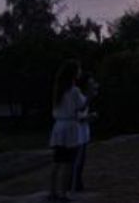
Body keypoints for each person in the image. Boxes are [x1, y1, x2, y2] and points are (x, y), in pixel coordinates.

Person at [48, 60, 86, 202]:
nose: (80, 72)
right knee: (68, 163)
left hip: (58, 127)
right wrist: (90, 96)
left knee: (57, 161)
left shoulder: (58, 89)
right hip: (70, 128)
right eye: (79, 70)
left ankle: (52, 191)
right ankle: (63, 194)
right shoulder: (74, 91)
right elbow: (81, 107)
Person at [70, 73, 98, 194]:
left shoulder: (83, 97)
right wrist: (89, 117)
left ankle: (77, 185)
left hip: (82, 134)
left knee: (80, 161)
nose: (94, 84)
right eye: (91, 83)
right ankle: (73, 186)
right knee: (77, 161)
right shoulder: (80, 97)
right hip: (77, 134)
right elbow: (77, 115)